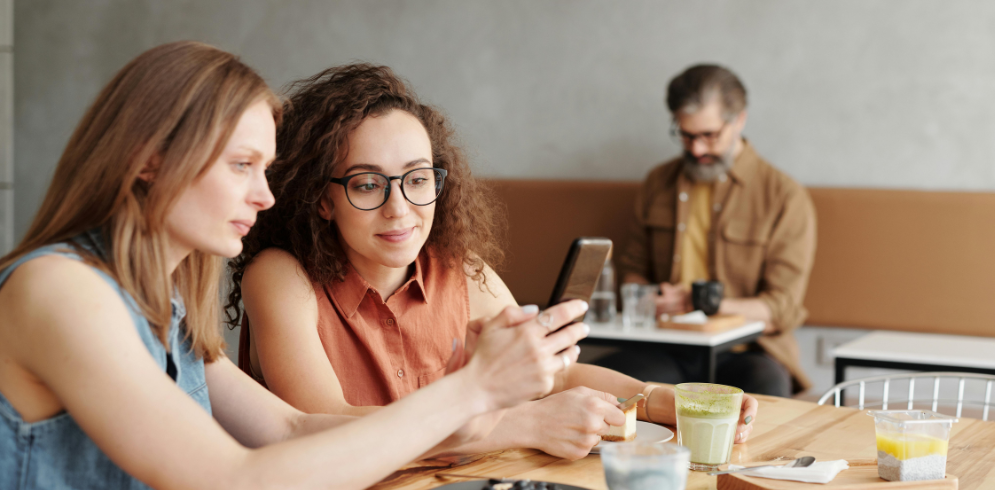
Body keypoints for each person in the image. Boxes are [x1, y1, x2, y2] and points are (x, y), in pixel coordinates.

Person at [0, 41, 588, 490]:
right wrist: (469, 393)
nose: (265, 195)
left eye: (266, 169)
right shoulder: (60, 289)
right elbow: (234, 478)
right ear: (149, 161)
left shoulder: (164, 307)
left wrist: (470, 414)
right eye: (241, 165)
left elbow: (290, 430)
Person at [226, 63, 759, 459]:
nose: (399, 209)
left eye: (416, 180)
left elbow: (554, 375)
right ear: (322, 197)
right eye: (367, 184)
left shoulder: (458, 268)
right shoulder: (280, 275)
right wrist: (519, 425)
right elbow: (323, 427)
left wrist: (669, 402)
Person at [601, 64, 817, 398]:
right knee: (600, 385)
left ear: (739, 120)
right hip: (665, 347)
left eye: (709, 136)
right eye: (686, 135)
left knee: (766, 394)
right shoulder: (658, 183)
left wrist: (697, 302)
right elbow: (632, 268)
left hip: (749, 354)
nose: (697, 149)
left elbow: (782, 307)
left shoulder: (783, 196)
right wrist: (647, 298)